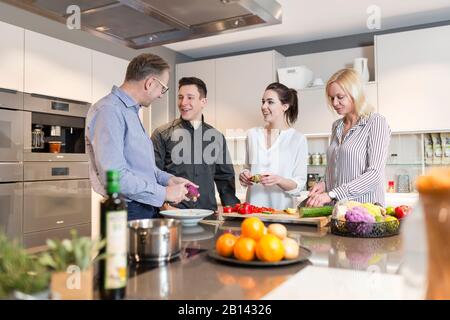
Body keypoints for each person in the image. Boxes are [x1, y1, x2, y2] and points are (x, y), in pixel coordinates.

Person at [86, 53, 195, 221]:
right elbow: (115, 177)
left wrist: (169, 180)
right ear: (150, 83)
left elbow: (143, 170)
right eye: (163, 88)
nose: (160, 95)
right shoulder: (109, 111)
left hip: (142, 208)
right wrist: (164, 193)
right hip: (127, 211)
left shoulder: (130, 112)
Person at [151, 77, 240, 211]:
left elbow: (225, 179)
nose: (183, 102)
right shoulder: (161, 134)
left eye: (190, 97)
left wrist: (233, 211)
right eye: (180, 97)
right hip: (173, 214)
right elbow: (153, 175)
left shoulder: (216, 137)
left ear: (203, 102)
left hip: (207, 215)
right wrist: (163, 206)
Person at [306, 68, 391, 207]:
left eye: (340, 97)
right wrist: (324, 184)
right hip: (338, 211)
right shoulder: (337, 126)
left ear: (355, 94)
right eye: (331, 98)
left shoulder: (375, 122)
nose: (334, 103)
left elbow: (374, 174)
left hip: (365, 212)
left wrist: (332, 194)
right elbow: (336, 169)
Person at [238, 82, 308, 210]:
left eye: (270, 102)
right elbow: (247, 168)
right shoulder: (252, 135)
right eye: (263, 101)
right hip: (253, 211)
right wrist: (244, 175)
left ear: (285, 106)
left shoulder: (297, 139)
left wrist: (279, 180)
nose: (264, 106)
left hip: (282, 212)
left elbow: (299, 184)